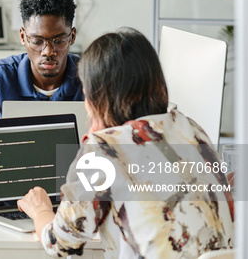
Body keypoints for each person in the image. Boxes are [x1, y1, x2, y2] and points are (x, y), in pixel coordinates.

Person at [16, 29, 234, 258]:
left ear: (96, 94)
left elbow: (59, 243)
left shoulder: (105, 149)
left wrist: (40, 210)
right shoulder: (191, 129)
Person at [0, 0, 84, 121]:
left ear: (72, 37)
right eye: (37, 41)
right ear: (23, 37)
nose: (48, 52)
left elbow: (110, 136)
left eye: (59, 41)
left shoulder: (92, 76)